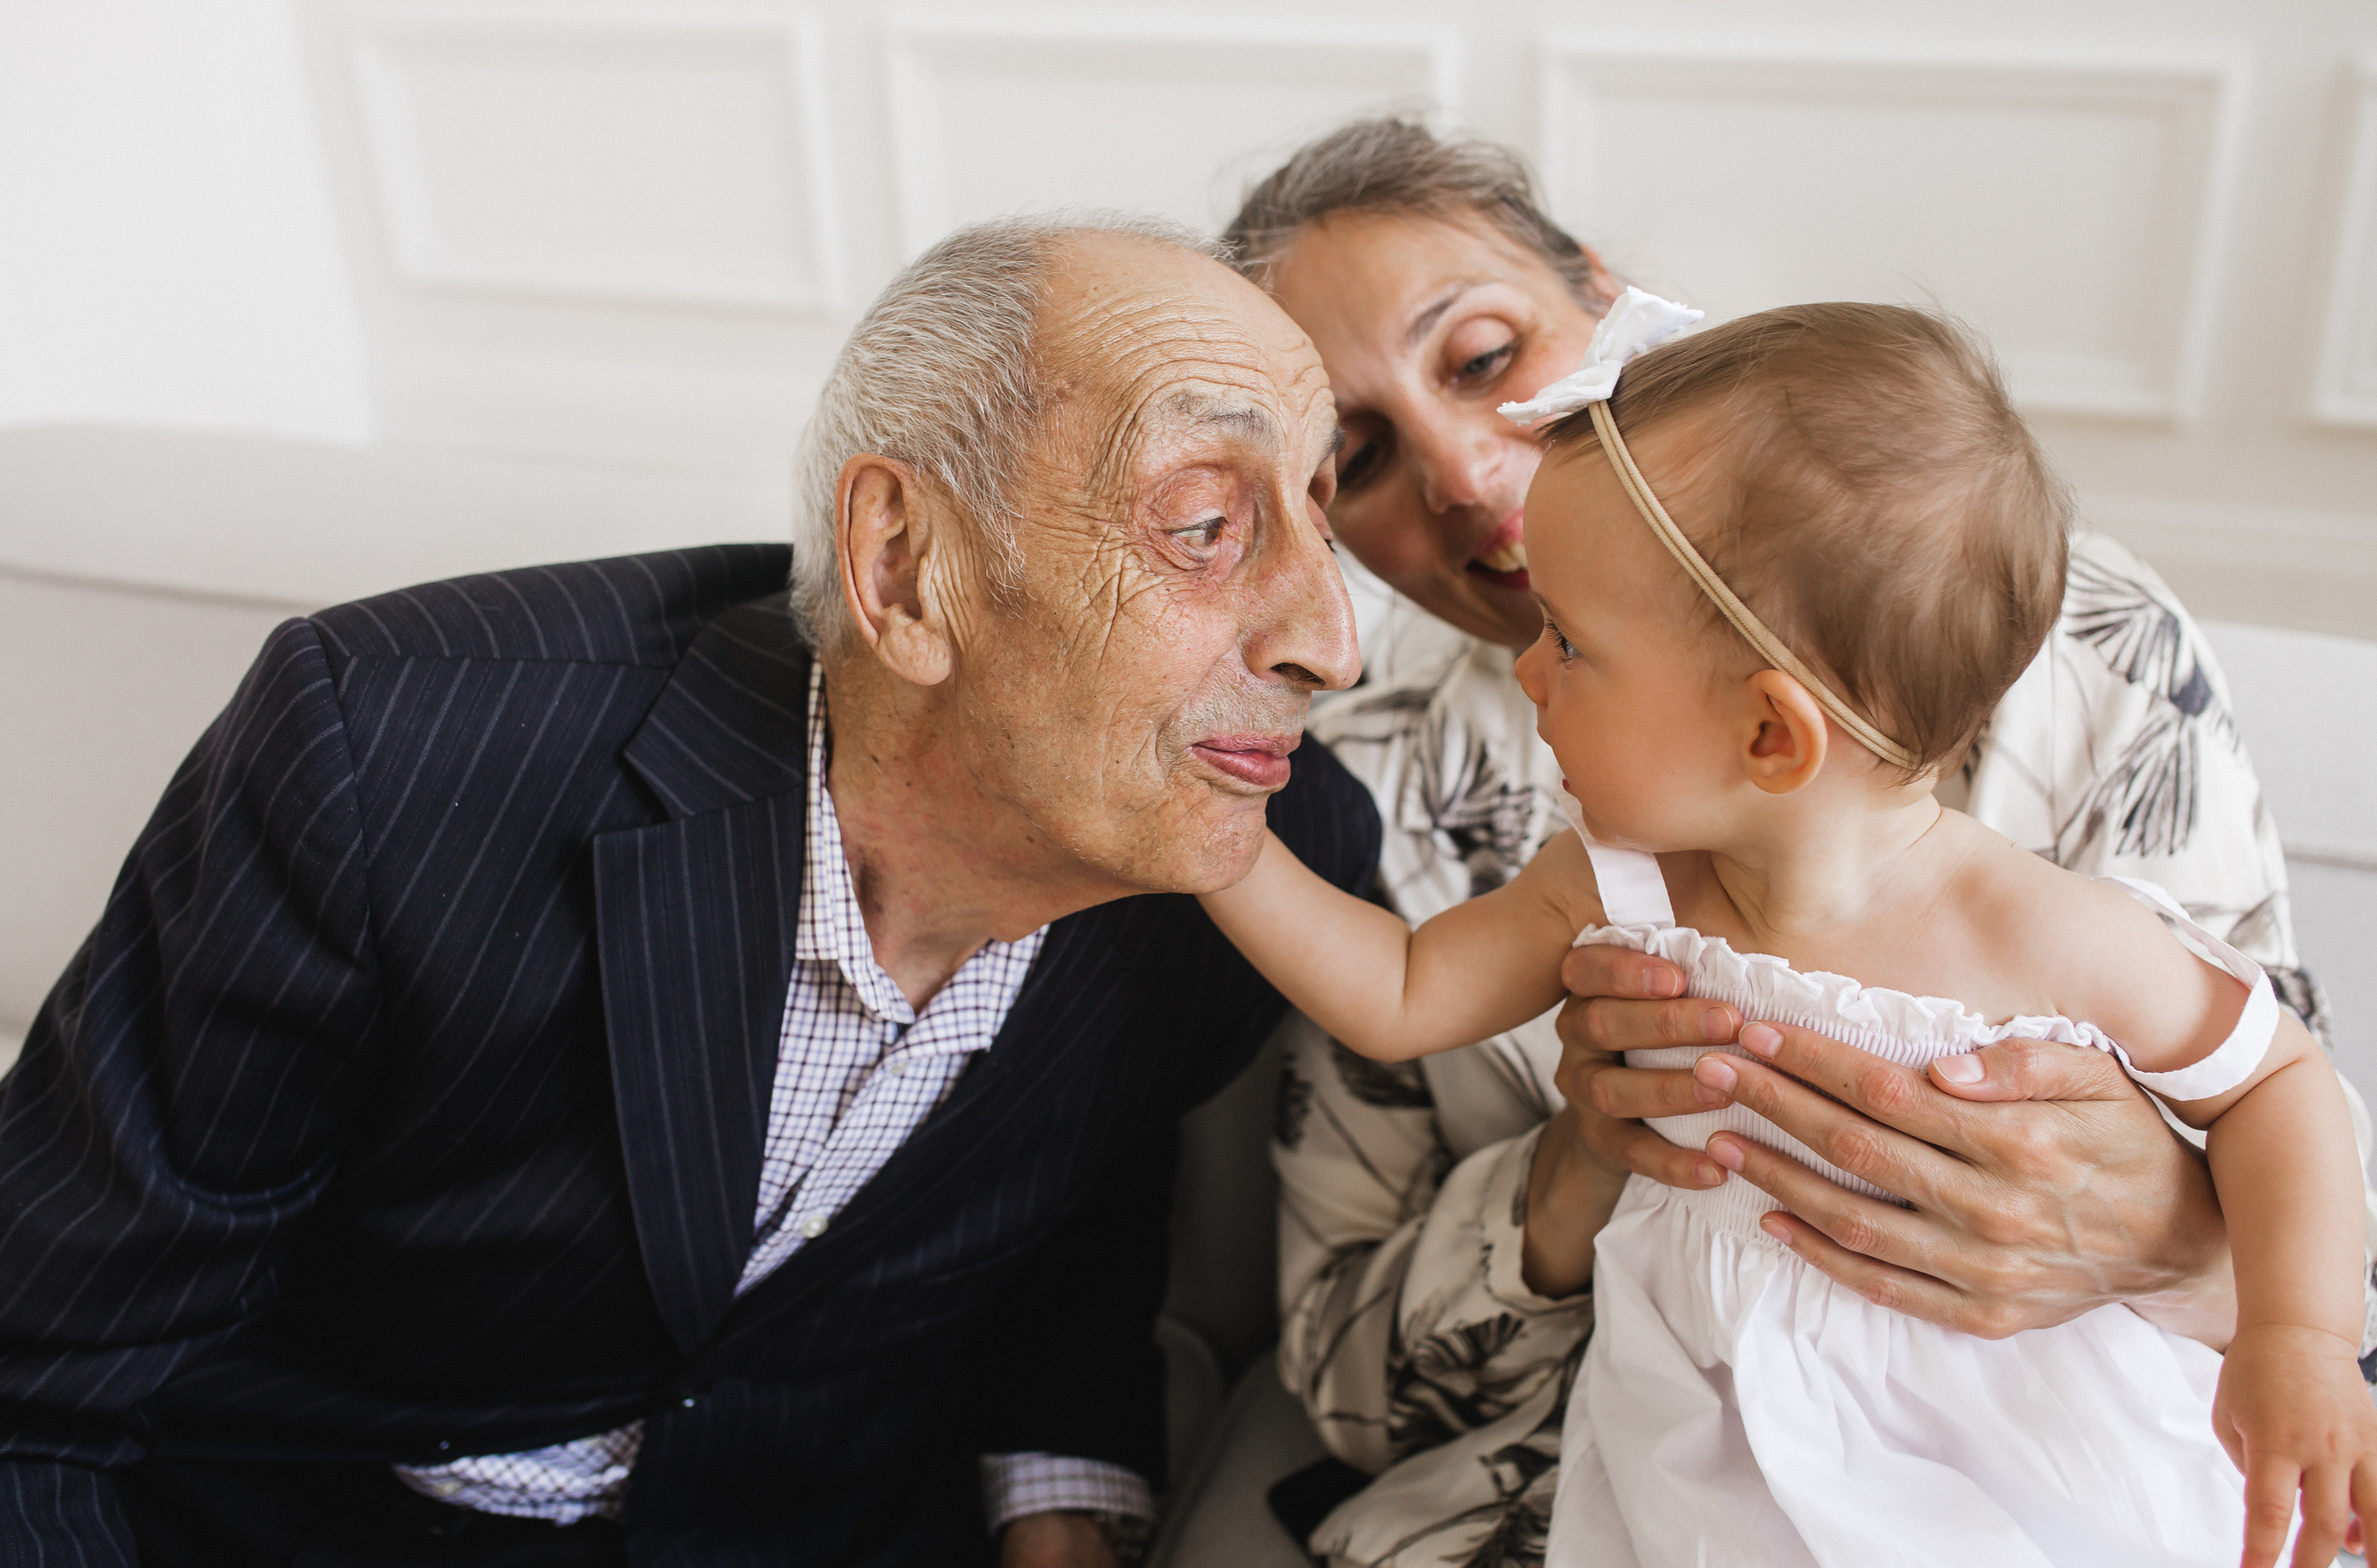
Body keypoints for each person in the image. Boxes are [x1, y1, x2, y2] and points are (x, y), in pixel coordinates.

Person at [0, 214, 1379, 1568]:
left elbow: (1067, 1189)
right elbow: (43, 1374)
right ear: (905, 568)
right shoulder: (390, 750)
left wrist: (1059, 1493)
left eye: (1323, 520)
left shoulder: (1269, 858)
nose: (1332, 642)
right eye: (1205, 521)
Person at [1214, 118, 2366, 1566]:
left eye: (1485, 358)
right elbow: (1387, 1037)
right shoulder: (1427, 817)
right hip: (1657, 1466)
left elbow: (2285, 1090)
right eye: (1356, 453)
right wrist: (1576, 1161)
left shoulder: (2059, 783)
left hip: (2011, 1460)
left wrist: (2279, 1320)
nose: (1459, 471)